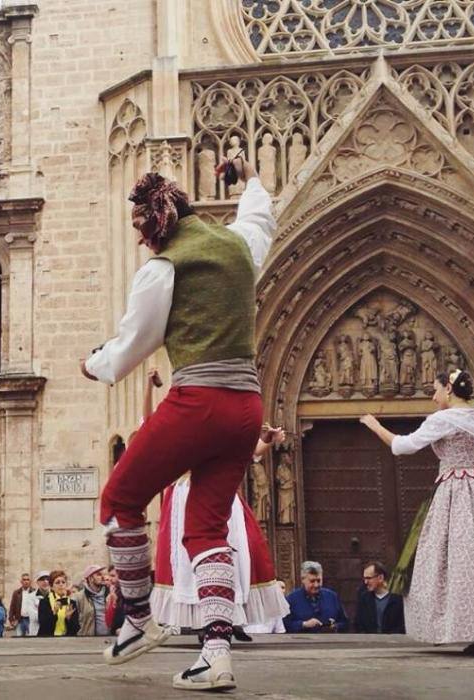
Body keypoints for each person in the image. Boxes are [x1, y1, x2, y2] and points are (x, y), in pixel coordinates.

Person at [82, 157, 275, 690]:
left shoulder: (164, 267)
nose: (143, 244)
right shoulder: (238, 245)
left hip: (200, 401)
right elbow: (260, 217)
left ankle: (140, 621)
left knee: (120, 499)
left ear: (155, 226)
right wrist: (251, 177)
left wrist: (94, 363)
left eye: (143, 235)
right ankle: (216, 655)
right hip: (247, 406)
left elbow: (131, 346)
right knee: (207, 528)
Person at [360, 370, 474, 653]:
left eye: (436, 390)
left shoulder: (445, 419)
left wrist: (374, 425)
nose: (433, 396)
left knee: (457, 560)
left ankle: (466, 627)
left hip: (458, 492)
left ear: (449, 390)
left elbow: (403, 446)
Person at [151, 426, 290, 635]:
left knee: (238, 555)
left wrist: (269, 439)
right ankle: (206, 621)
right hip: (190, 493)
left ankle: (233, 617)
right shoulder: (181, 426)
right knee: (194, 560)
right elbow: (153, 431)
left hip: (222, 493)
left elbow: (251, 451)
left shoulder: (222, 425)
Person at [283, 561, 348, 633]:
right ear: (303, 580)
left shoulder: (332, 597)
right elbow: (285, 625)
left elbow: (345, 623)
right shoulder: (291, 599)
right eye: (312, 581)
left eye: (319, 581)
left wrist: (335, 626)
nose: (316, 585)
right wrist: (303, 624)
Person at [353, 561, 405, 634]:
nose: (365, 582)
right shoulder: (364, 599)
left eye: (369, 578)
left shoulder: (398, 599)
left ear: (380, 578)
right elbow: (358, 625)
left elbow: (401, 626)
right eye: (364, 578)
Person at [37, 570, 79, 637]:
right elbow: (43, 625)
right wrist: (54, 612)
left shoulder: (72, 603)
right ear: (52, 587)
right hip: (48, 640)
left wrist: (68, 618)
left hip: (67, 640)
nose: (61, 584)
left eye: (63, 582)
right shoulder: (44, 602)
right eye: (57, 582)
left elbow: (76, 628)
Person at [72, 565, 110, 636]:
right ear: (90, 578)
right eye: (98, 575)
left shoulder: (109, 594)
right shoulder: (78, 597)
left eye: (103, 574)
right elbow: (74, 621)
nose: (103, 577)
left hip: (109, 639)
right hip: (88, 640)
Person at [7, 573, 36, 637]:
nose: (26, 581)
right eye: (24, 580)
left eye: (27, 580)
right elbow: (12, 607)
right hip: (20, 620)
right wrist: (11, 619)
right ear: (21, 581)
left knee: (31, 637)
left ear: (30, 581)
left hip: (30, 620)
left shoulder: (34, 592)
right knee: (19, 637)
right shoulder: (17, 593)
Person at [104, 565, 125, 635]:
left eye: (113, 576)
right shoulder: (112, 592)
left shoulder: (127, 593)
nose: (110, 579)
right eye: (109, 576)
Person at [28, 572, 50, 636]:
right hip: (35, 632)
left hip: (50, 632)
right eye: (42, 579)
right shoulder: (30, 597)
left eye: (47, 579)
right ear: (37, 582)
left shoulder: (54, 596)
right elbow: (33, 617)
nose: (45, 581)